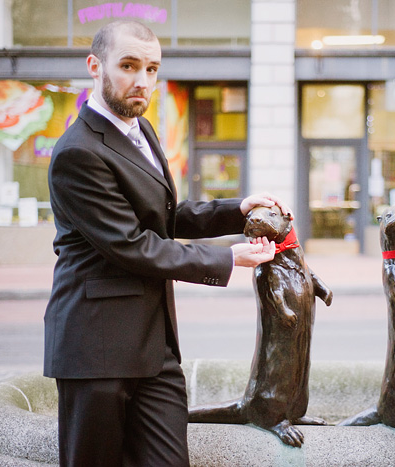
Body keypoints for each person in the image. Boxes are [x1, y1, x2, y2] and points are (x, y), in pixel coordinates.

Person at [44, 20, 289, 466]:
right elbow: (132, 244)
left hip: (156, 350)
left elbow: (164, 217)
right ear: (95, 66)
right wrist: (227, 258)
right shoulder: (77, 152)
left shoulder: (144, 133)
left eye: (152, 68)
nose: (143, 81)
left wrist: (236, 209)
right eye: (129, 65)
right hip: (96, 350)